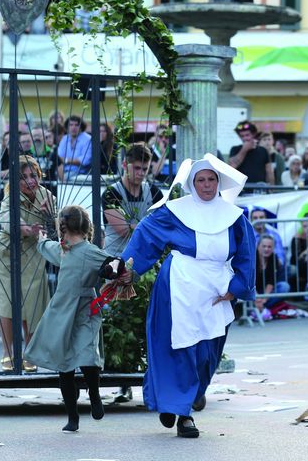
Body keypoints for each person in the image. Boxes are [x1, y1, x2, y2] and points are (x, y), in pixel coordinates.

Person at [120, 154, 255, 439]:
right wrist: (126, 269)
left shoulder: (234, 216)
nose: (206, 185)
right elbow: (146, 235)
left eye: (211, 179)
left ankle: (184, 398)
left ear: (219, 182)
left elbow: (246, 253)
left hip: (217, 288)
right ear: (192, 184)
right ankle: (183, 413)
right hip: (179, 284)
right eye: (200, 180)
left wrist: (237, 286)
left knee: (208, 352)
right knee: (180, 347)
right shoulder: (174, 211)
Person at [25, 205, 121, 433]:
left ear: (62, 227)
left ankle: (81, 408)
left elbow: (112, 263)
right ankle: (85, 405)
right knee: (76, 359)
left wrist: (110, 270)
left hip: (82, 310)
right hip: (68, 312)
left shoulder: (86, 251)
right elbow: (115, 263)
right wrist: (112, 270)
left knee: (72, 363)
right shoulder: (64, 249)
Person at [0, 155, 55, 373]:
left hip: (34, 254)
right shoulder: (9, 198)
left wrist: (50, 216)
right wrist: (26, 229)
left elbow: (56, 224)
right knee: (7, 305)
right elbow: (8, 220)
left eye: (32, 175)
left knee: (32, 305)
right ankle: (8, 353)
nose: (29, 180)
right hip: (6, 254)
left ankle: (29, 353)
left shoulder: (47, 196)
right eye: (23, 177)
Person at [101, 143, 163, 257]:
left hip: (145, 258)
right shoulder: (111, 193)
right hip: (115, 258)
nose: (141, 173)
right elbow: (123, 231)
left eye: (145, 169)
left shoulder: (154, 192)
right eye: (137, 168)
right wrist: (153, 227)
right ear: (124, 164)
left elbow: (163, 224)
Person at [254, 234, 291, 320]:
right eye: (264, 246)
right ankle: (257, 307)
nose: (266, 249)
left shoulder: (274, 258)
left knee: (284, 287)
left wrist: (264, 299)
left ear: (273, 248)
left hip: (266, 292)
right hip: (252, 291)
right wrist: (256, 297)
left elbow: (271, 282)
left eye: (269, 247)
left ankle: (261, 307)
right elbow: (250, 282)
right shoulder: (252, 258)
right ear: (258, 246)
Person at [288, 213, 308, 290]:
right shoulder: (296, 238)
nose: (307, 229)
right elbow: (294, 258)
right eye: (305, 226)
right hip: (300, 264)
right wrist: (305, 253)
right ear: (301, 226)